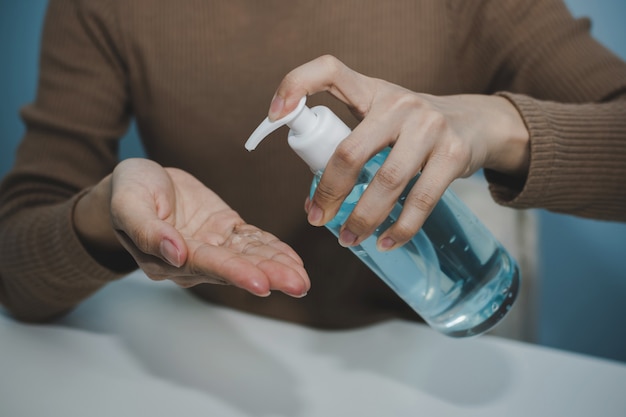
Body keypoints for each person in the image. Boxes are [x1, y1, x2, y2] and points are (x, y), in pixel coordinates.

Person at [1, 0, 625, 326]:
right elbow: (14, 270)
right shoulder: (105, 9)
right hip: (205, 353)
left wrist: (497, 124)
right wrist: (103, 213)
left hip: (421, 365)